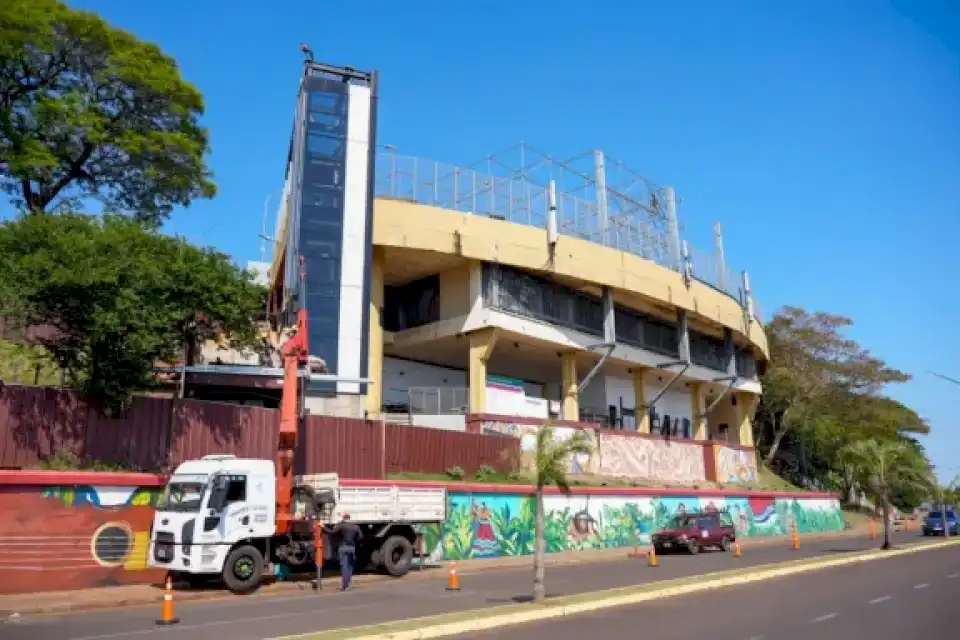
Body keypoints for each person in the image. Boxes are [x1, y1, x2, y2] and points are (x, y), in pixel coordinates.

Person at [324, 513, 363, 591]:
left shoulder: (341, 525)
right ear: (349, 518)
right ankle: (348, 584)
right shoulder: (356, 527)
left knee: (344, 566)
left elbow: (332, 532)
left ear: (343, 518)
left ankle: (344, 585)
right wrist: (354, 541)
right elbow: (361, 537)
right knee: (350, 566)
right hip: (352, 548)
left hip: (343, 547)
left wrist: (323, 527)